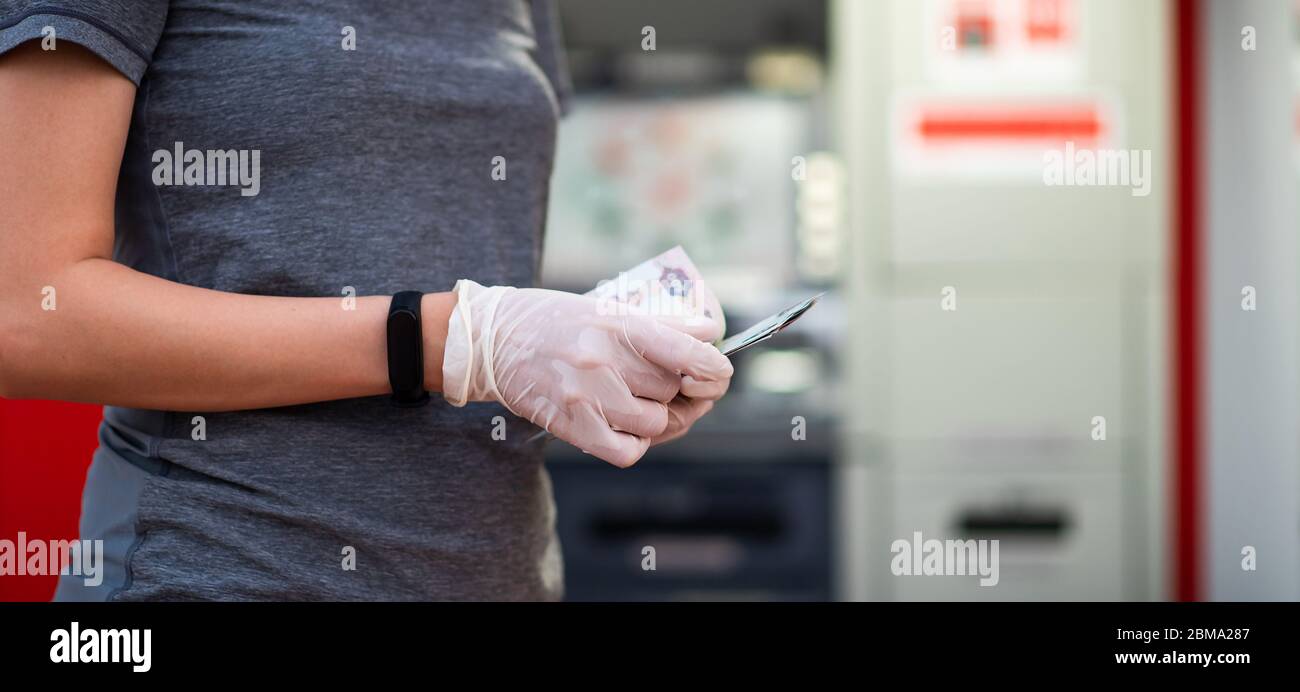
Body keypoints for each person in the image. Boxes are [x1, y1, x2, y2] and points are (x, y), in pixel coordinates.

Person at [0, 0, 732, 601]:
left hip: (499, 574)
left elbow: (453, 243)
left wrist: (585, 350)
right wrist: (444, 339)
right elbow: (25, 314)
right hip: (222, 568)